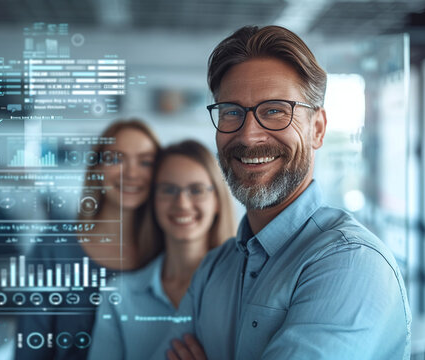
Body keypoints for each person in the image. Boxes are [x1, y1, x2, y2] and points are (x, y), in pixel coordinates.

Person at [152, 25, 411, 360]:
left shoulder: (351, 263)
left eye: (274, 110)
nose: (248, 136)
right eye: (232, 112)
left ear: (317, 129)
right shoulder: (214, 268)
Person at [15, 119, 162, 360]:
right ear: (97, 168)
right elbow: (31, 350)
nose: (132, 173)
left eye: (146, 162)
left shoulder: (168, 252)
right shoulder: (54, 248)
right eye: (116, 159)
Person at [89, 140, 236, 360]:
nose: (182, 204)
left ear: (217, 201)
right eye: (169, 190)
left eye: (196, 190)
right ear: (153, 200)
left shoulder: (241, 286)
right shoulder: (119, 295)